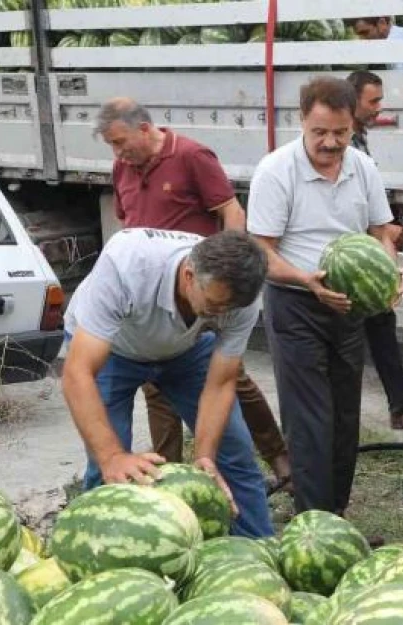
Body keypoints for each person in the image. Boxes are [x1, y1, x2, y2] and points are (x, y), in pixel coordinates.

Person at [96, 97, 294, 494]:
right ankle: (168, 479)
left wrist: (227, 275)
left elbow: (232, 213)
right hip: (153, 293)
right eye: (112, 146)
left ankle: (279, 458)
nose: (117, 153)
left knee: (231, 381)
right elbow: (128, 221)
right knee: (157, 392)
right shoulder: (123, 168)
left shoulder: (191, 156)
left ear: (145, 128)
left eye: (120, 142)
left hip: (206, 290)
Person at [61, 228, 276, 537]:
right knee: (109, 466)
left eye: (230, 308)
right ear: (189, 275)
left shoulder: (240, 298)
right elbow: (77, 373)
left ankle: (257, 550)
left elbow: (221, 383)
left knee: (233, 452)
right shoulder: (127, 264)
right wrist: (112, 456)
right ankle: (100, 558)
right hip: (114, 349)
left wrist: (204, 455)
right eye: (215, 306)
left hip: (186, 351)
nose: (223, 315)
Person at [248, 77, 398, 516]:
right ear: (301, 122)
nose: (331, 143)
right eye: (320, 133)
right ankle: (313, 524)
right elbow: (262, 251)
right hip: (295, 303)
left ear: (353, 125)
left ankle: (336, 517)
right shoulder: (277, 170)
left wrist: (388, 270)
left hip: (348, 308)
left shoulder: (362, 168)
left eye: (340, 132)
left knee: (344, 417)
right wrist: (307, 280)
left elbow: (381, 232)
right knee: (310, 419)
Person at [346, 70, 403, 430]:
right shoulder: (347, 145)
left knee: (379, 327)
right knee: (374, 329)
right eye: (373, 101)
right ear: (351, 100)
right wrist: (383, 231)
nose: (379, 108)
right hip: (358, 252)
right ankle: (401, 406)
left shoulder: (359, 140)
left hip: (367, 248)